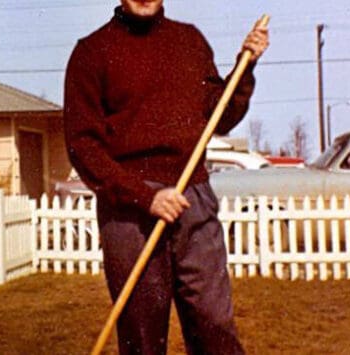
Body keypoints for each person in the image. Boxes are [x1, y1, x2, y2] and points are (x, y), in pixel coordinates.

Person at [63, 0, 269, 354]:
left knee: (215, 328)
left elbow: (219, 117)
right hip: (131, 211)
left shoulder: (189, 41)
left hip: (194, 195)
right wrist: (146, 198)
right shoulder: (92, 52)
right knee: (142, 338)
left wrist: (245, 67)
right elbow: (84, 147)